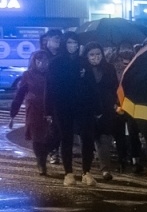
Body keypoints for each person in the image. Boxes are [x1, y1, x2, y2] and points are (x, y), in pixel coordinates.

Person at [47, 33, 90, 185]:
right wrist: (49, 110)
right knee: (66, 138)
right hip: (62, 105)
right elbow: (50, 87)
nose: (73, 46)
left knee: (86, 137)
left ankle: (86, 172)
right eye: (70, 42)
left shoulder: (83, 62)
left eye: (75, 43)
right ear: (65, 44)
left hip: (82, 105)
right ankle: (68, 173)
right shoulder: (56, 63)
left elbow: (89, 85)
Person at [8, 51, 54, 175]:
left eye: (44, 61)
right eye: (38, 61)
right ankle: (41, 162)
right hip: (33, 110)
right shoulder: (27, 75)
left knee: (51, 137)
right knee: (37, 137)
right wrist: (13, 113)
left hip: (50, 109)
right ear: (33, 62)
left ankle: (46, 155)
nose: (41, 64)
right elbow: (20, 94)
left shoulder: (51, 74)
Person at [81, 42, 121, 182]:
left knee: (104, 139)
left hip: (106, 108)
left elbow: (115, 87)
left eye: (98, 54)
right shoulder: (82, 69)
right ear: (86, 55)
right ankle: (86, 170)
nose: (95, 57)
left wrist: (114, 102)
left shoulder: (109, 68)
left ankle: (105, 169)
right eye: (92, 54)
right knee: (87, 140)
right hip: (87, 109)